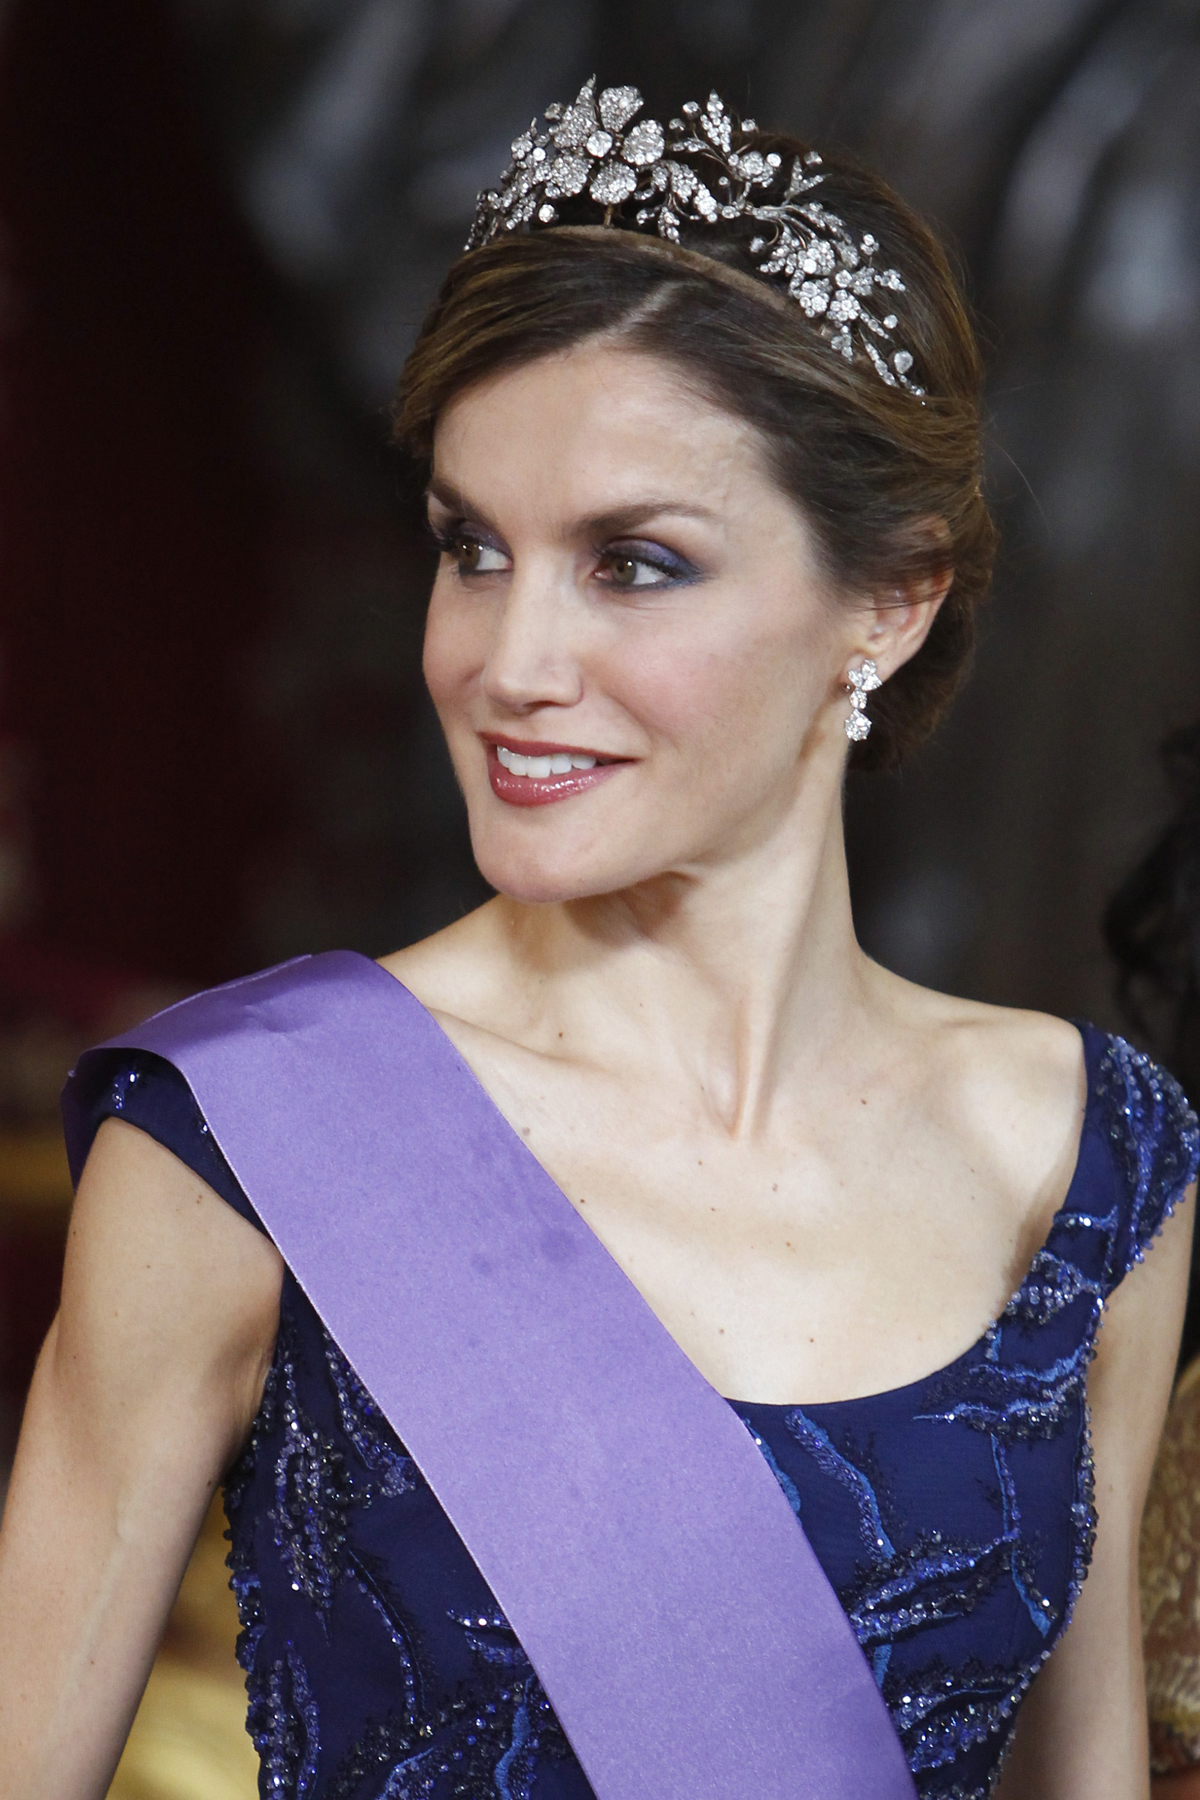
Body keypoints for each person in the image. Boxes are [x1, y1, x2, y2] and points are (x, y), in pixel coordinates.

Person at [0, 79, 1195, 1800]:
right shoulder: (243, 1142)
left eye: (632, 564)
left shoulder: (1090, 1162)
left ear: (892, 598)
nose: (508, 661)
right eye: (470, 550)